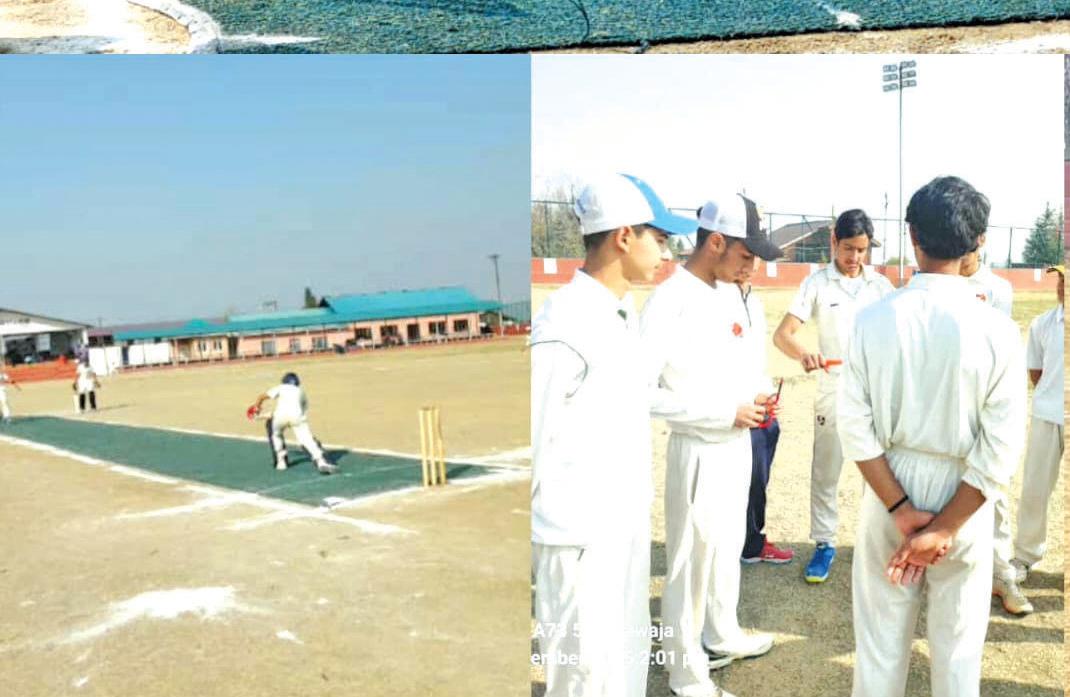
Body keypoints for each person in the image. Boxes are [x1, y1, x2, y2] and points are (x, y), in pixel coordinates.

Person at [838, 176, 1026, 697]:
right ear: (977, 244)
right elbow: (1000, 448)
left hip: (888, 483)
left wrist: (900, 509)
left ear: (912, 236)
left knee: (878, 644)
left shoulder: (872, 320)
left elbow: (856, 428)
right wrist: (945, 527)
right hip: (964, 494)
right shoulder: (999, 332)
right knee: (959, 651)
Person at [531, 173, 694, 697]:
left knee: (624, 665)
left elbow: (633, 400)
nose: (667, 252)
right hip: (578, 536)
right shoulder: (565, 322)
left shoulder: (621, 313)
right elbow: (533, 435)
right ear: (624, 236)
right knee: (583, 677)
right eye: (660, 238)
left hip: (619, 526)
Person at [641, 193, 781, 697]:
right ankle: (686, 673)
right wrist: (722, 413)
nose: (751, 266)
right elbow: (640, 391)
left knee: (722, 553)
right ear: (715, 242)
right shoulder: (670, 299)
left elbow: (738, 364)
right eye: (746, 255)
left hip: (736, 442)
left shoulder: (723, 292)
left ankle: (722, 632)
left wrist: (758, 394)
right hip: (699, 448)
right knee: (689, 565)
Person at [772, 209, 894, 583]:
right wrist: (804, 354)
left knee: (878, 471)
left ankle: (874, 545)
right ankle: (824, 543)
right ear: (833, 242)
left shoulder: (881, 286)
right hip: (833, 387)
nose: (854, 258)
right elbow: (783, 335)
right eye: (847, 248)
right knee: (826, 469)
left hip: (874, 392)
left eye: (861, 250)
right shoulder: (817, 284)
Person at [960, 242, 1030, 614]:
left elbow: (999, 349)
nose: (965, 255)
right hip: (951, 403)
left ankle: (1003, 578)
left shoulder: (999, 288)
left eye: (971, 247)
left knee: (994, 492)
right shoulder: (940, 281)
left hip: (985, 401)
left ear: (981, 242)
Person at [1008, 264, 1064, 591]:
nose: (1062, 286)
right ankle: (1026, 555)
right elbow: (1036, 373)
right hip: (1048, 414)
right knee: (1034, 489)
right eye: (1061, 279)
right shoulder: (1043, 324)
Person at [737, 277, 793, 565]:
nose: (748, 267)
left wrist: (769, 393)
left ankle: (752, 541)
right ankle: (745, 543)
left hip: (763, 412)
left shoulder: (755, 304)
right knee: (744, 482)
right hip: (739, 414)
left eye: (754, 259)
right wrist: (747, 398)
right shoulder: (716, 302)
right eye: (744, 256)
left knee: (759, 481)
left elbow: (756, 360)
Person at [248, 372, 338, 475]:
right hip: (297, 417)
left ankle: (281, 462)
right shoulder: (301, 392)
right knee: (306, 439)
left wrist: (257, 408)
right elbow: (301, 409)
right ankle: (320, 460)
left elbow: (262, 397)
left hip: (279, 417)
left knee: (276, 435)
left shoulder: (281, 387)